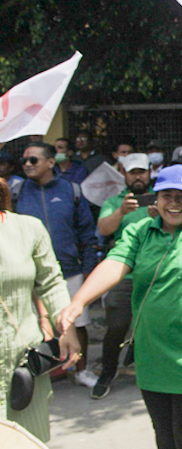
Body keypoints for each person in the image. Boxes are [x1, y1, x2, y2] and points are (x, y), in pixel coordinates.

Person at [58, 164, 182, 449]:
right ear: (155, 198)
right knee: (164, 435)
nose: (174, 203)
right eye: (167, 195)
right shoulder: (139, 231)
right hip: (152, 354)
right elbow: (115, 263)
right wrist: (78, 302)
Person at [0, 177, 82, 444]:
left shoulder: (28, 228)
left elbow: (50, 282)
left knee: (28, 439)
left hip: (20, 363)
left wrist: (66, 327)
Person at [14, 142, 98, 388]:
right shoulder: (17, 192)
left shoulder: (71, 190)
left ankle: (81, 370)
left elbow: (86, 231)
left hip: (69, 270)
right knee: (37, 326)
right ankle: (40, 373)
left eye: (33, 160)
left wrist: (88, 267)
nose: (27, 165)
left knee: (77, 324)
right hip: (30, 274)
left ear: (51, 162)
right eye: (25, 161)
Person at [93, 153, 153, 399]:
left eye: (142, 171)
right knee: (116, 326)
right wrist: (120, 212)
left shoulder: (161, 198)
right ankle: (108, 371)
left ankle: (147, 370)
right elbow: (104, 229)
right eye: (132, 172)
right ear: (124, 174)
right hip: (123, 276)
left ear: (150, 172)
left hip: (154, 274)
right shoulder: (115, 201)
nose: (137, 177)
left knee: (152, 327)